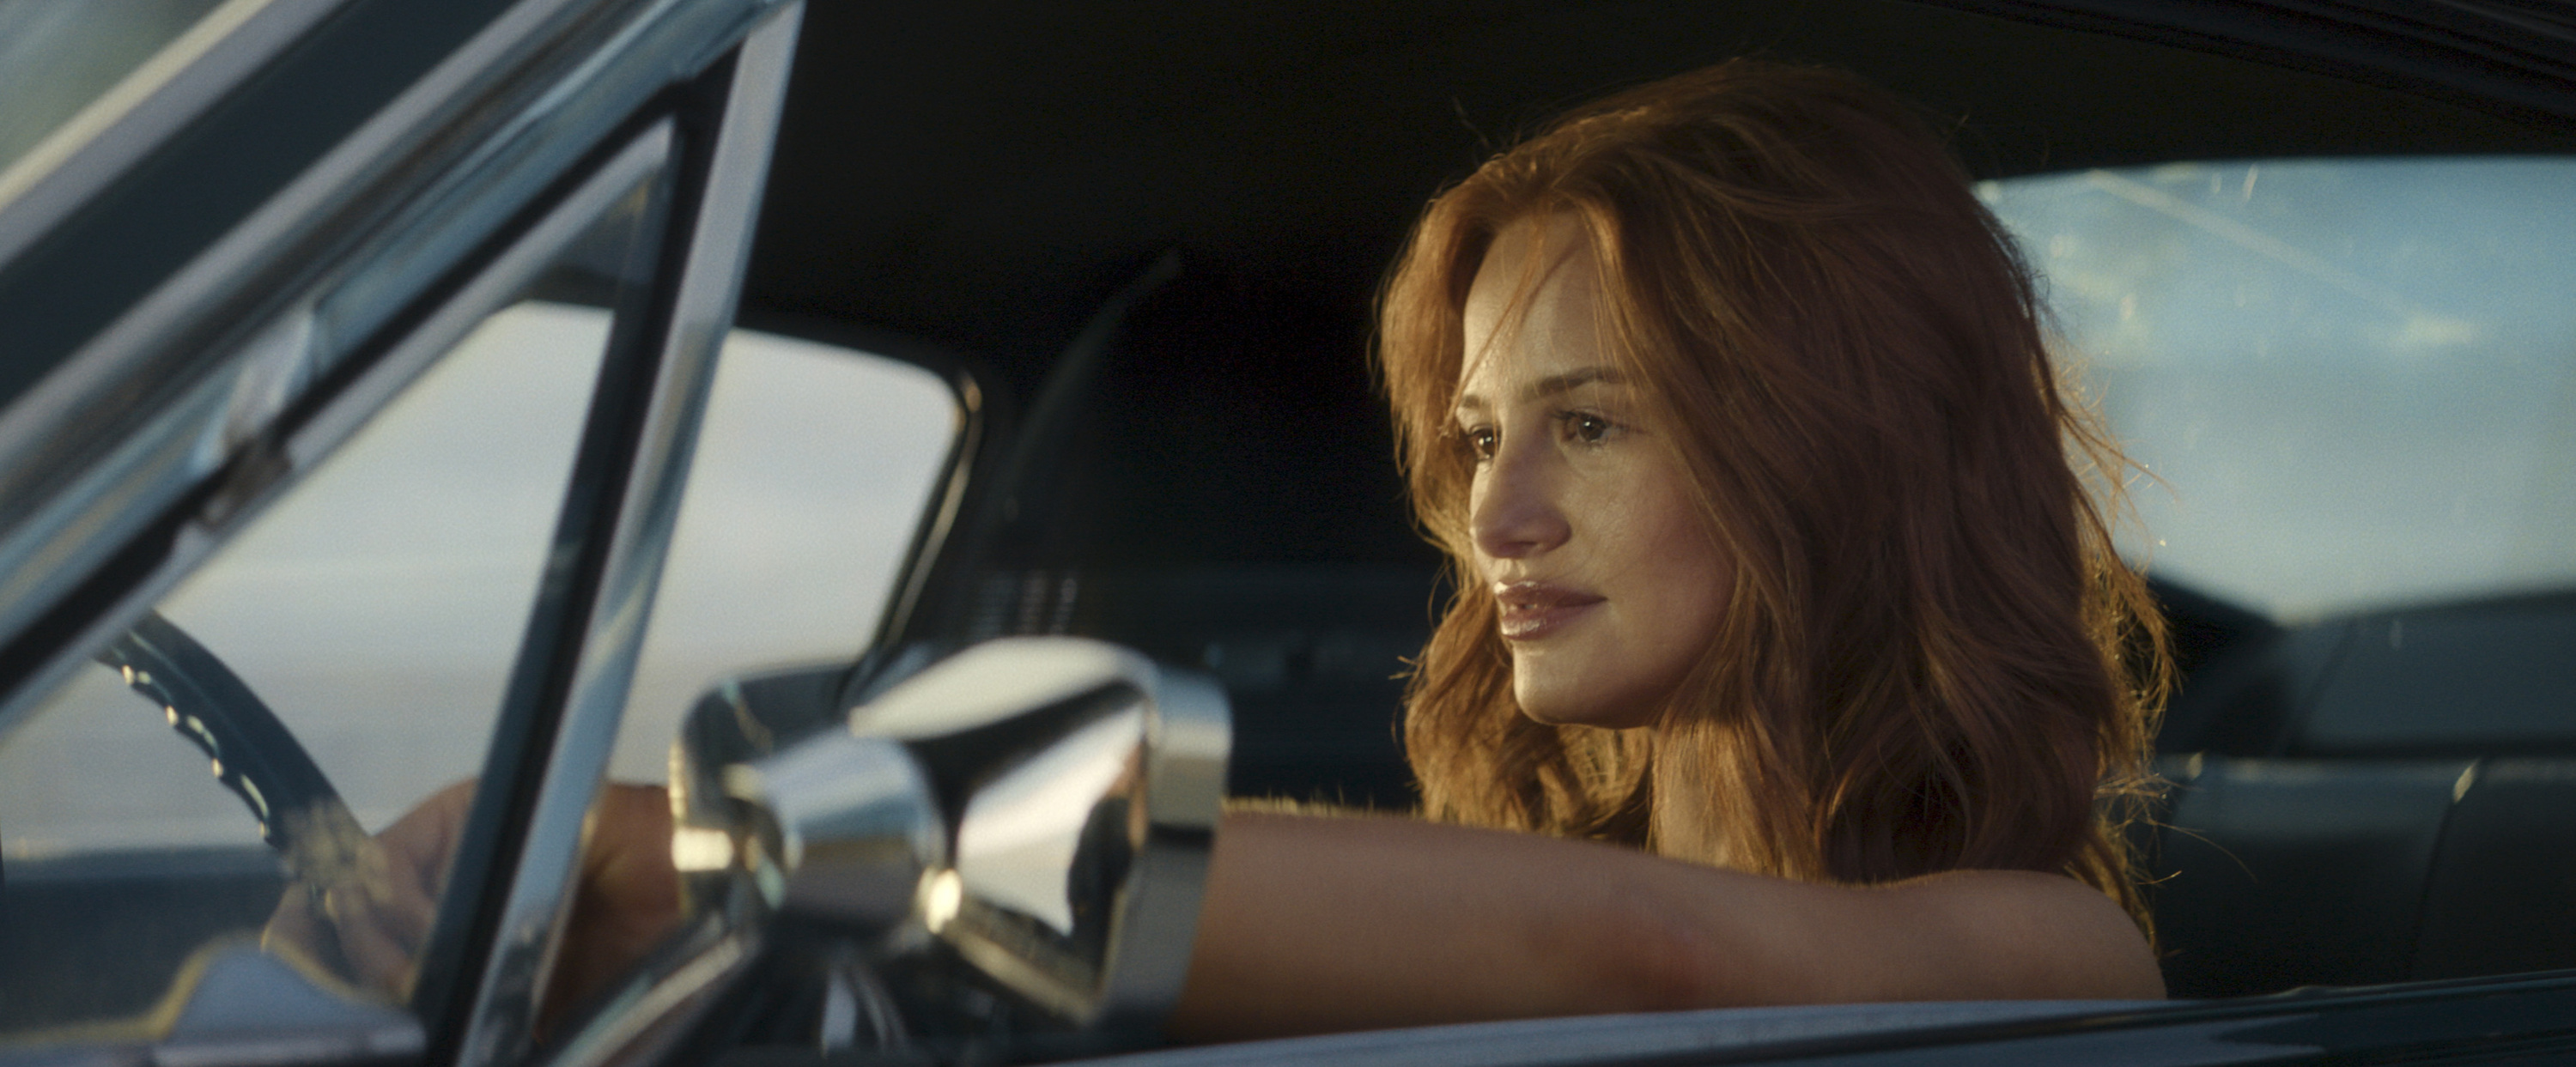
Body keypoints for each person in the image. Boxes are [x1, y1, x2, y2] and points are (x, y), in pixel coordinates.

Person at [270, 58, 2170, 1040]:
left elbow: (1656, 963)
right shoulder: (1515, 906)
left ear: (1835, 445)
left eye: (1591, 425)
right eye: (1481, 438)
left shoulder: (2050, 951)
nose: (1494, 516)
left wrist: (740, 859)